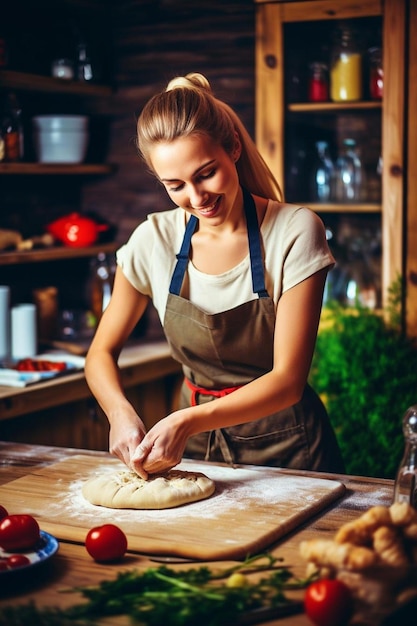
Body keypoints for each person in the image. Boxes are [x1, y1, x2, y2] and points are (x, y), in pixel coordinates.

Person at [85, 72, 345, 479]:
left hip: (289, 447)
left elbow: (288, 380)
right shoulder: (152, 239)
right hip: (197, 451)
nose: (196, 197)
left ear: (234, 149)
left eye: (206, 173)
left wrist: (186, 421)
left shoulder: (294, 230)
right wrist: (119, 413)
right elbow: (100, 354)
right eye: (175, 185)